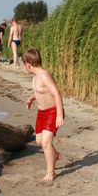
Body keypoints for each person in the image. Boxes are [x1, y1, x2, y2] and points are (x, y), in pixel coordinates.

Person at [23, 49, 64, 181]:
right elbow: (39, 91)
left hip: (52, 112)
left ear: (28, 64)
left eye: (24, 65)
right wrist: (31, 98)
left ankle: (51, 173)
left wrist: (59, 116)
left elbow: (56, 93)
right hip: (41, 113)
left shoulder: (44, 75)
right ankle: (55, 155)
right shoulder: (35, 77)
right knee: (39, 141)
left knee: (46, 142)